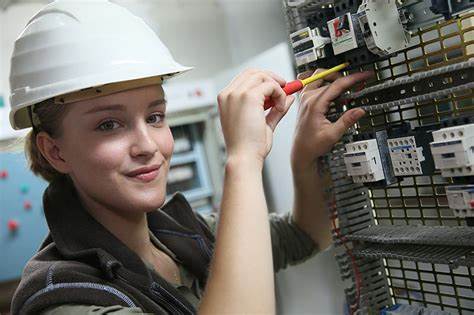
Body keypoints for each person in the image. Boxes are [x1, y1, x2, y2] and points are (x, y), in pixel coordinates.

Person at [8, 1, 371, 314]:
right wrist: (243, 159)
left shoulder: (185, 234)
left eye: (154, 117)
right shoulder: (62, 297)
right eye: (108, 125)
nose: (147, 144)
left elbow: (306, 235)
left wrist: (304, 155)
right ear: (55, 151)